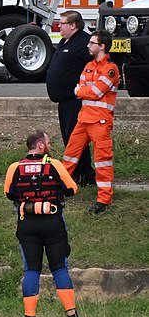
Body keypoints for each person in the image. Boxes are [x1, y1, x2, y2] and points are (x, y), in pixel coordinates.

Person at [4, 131, 80, 317]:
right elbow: (72, 189)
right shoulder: (54, 165)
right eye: (48, 142)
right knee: (60, 268)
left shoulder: (15, 167)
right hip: (53, 222)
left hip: (27, 224)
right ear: (40, 145)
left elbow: (8, 193)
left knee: (31, 270)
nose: (50, 145)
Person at [62, 29, 120, 214]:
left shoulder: (111, 69)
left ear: (101, 46)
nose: (88, 46)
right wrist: (82, 91)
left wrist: (81, 91)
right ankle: (60, 189)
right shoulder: (88, 65)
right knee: (69, 156)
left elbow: (93, 92)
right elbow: (81, 88)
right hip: (84, 119)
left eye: (91, 43)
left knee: (102, 161)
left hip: (100, 123)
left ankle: (104, 199)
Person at [46, 10, 96, 186]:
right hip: (63, 100)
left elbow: (94, 64)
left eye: (63, 23)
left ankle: (84, 174)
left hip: (75, 100)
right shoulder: (64, 41)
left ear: (73, 25)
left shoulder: (84, 42)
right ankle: (77, 173)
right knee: (68, 137)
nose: (59, 26)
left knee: (76, 138)